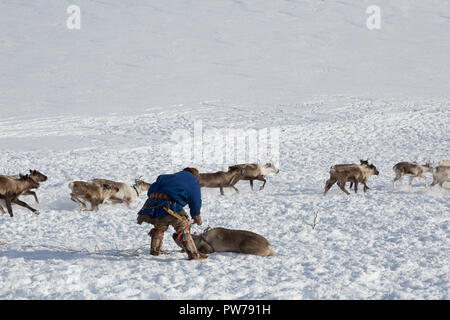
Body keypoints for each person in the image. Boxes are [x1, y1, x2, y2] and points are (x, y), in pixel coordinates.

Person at [137, 167, 207, 260]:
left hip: (152, 206)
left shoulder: (165, 177)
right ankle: (193, 254)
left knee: (159, 226)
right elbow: (195, 199)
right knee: (183, 226)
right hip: (169, 206)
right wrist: (196, 215)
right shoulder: (192, 179)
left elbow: (151, 190)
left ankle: (155, 250)